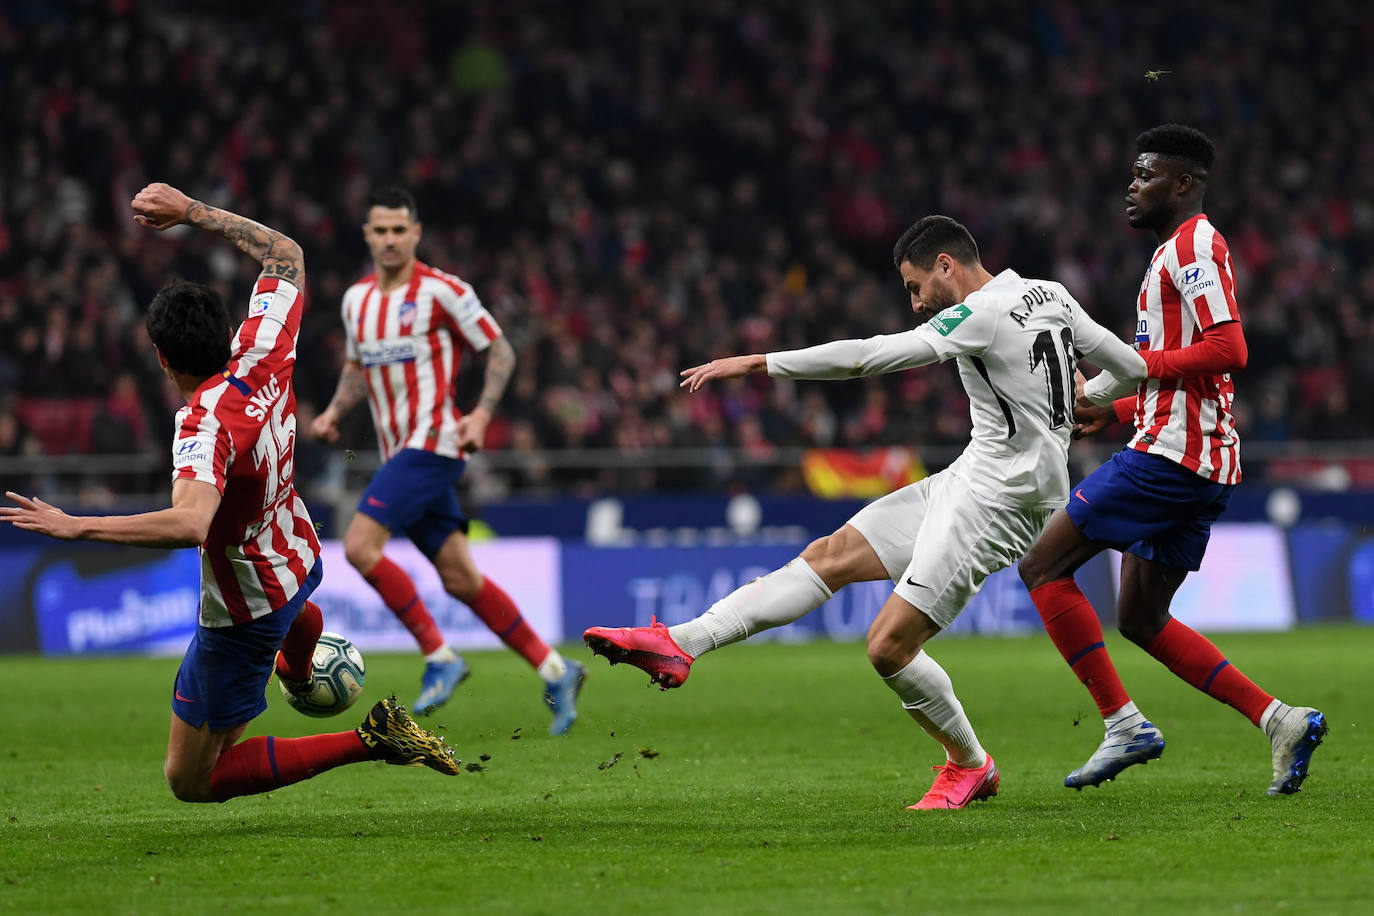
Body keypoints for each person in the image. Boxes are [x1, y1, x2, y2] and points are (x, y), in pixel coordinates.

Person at [585, 215, 1148, 809]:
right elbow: (1134, 368)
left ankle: (970, 764)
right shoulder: (1050, 294)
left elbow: (871, 357)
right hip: (970, 477)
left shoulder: (977, 313)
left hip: (1001, 501)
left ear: (945, 266)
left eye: (914, 286)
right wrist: (1084, 401)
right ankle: (680, 643)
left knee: (888, 648)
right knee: (829, 556)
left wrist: (760, 363)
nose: (914, 303)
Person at [2, 183, 460, 802]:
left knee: (192, 777)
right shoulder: (263, 348)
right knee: (287, 629)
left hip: (244, 611)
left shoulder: (203, 424)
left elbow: (191, 523)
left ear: (164, 360)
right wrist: (193, 213)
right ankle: (299, 659)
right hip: (298, 552)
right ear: (225, 328)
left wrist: (77, 525)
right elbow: (285, 254)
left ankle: (375, 738)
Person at [1016, 125, 1326, 795]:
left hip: (1172, 460)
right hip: (1190, 454)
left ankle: (1122, 724)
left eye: (1145, 173)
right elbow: (1195, 382)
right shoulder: (1173, 254)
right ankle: (1280, 720)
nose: (1132, 185)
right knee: (1140, 617)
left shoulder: (1193, 246)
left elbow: (1229, 349)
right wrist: (1120, 408)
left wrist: (1133, 368)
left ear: (1181, 183)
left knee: (1042, 565)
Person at [311, 185, 584, 733]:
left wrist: (481, 414)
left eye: (399, 230)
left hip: (436, 442)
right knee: (461, 578)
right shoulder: (355, 301)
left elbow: (500, 349)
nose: (389, 239)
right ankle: (556, 667)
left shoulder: (443, 291)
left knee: (362, 546)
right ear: (367, 235)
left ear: (416, 233)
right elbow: (356, 368)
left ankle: (439, 657)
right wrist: (334, 412)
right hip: (399, 452)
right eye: (380, 230)